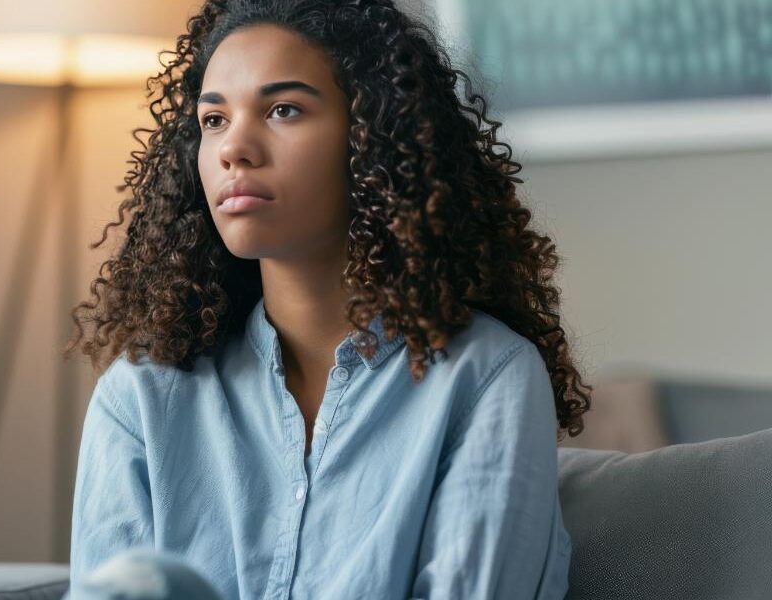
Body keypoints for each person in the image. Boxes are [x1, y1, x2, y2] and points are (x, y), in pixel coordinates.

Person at [60, 0, 592, 598]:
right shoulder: (141, 397)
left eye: (283, 110)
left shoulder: (488, 377)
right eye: (213, 121)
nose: (235, 148)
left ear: (373, 137)